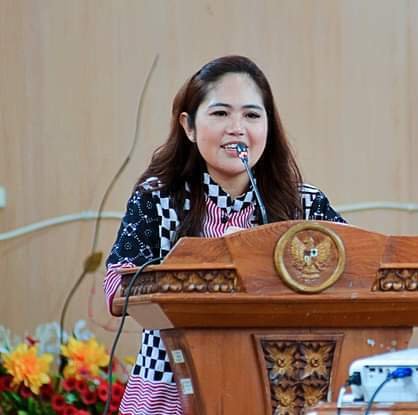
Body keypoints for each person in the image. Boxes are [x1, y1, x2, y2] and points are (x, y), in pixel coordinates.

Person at [103, 55, 345, 414]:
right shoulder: (157, 198)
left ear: (269, 126)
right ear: (188, 126)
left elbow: (353, 273)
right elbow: (116, 286)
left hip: (280, 388)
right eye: (220, 113)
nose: (237, 128)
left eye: (252, 115)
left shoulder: (305, 205)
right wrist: (201, 265)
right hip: (173, 386)